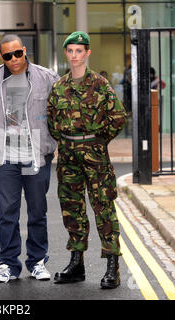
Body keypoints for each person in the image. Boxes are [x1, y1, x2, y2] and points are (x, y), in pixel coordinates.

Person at [47, 31, 127, 289]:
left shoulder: (101, 84)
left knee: (103, 208)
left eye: (79, 51)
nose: (74, 56)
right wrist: (65, 139)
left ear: (87, 53)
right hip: (68, 155)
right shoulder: (59, 86)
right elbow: (51, 120)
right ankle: (76, 262)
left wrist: (99, 140)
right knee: (72, 209)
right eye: (70, 51)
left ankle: (112, 267)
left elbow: (119, 117)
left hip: (95, 155)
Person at [0, 34, 59, 283]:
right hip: (7, 158)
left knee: (37, 211)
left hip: (37, 156)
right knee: (7, 212)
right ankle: (8, 264)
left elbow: (59, 112)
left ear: (24, 50)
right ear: (1, 57)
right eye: (7, 56)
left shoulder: (46, 77)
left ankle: (37, 261)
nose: (14, 59)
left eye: (17, 53)